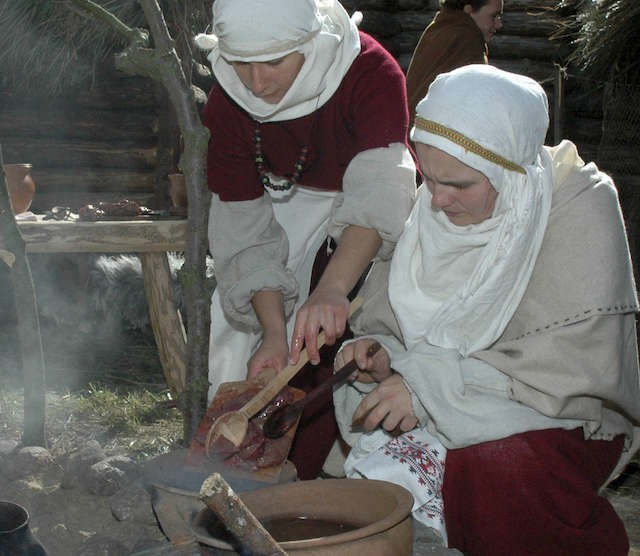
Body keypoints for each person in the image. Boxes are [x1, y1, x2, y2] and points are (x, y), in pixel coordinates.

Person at [333, 64, 640, 555]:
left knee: (490, 457)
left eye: (458, 184)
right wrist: (387, 359)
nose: (436, 199)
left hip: (558, 413)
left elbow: (570, 369)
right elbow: (393, 324)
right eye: (429, 177)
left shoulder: (580, 206)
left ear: (508, 171)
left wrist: (426, 385)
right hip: (451, 400)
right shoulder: (434, 203)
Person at [194, 0, 417, 479]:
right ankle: (244, 471)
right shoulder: (226, 102)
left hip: (367, 215)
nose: (256, 82)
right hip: (280, 207)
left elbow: (380, 193)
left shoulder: (371, 73)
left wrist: (332, 289)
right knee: (247, 337)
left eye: (274, 61)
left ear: (311, 44)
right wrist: (273, 332)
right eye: (241, 63)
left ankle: (340, 473)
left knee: (348, 335)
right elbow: (244, 226)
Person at [405, 0, 503, 117]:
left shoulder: (442, 26)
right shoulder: (467, 41)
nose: (499, 24)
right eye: (493, 16)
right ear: (468, 10)